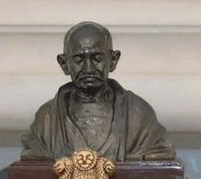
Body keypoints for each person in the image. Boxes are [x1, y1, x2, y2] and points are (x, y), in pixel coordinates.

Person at [19, 22, 179, 164]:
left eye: (97, 58)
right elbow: (33, 162)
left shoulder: (138, 115)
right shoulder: (46, 119)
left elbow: (157, 159)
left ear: (113, 60)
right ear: (64, 64)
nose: (88, 68)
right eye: (79, 60)